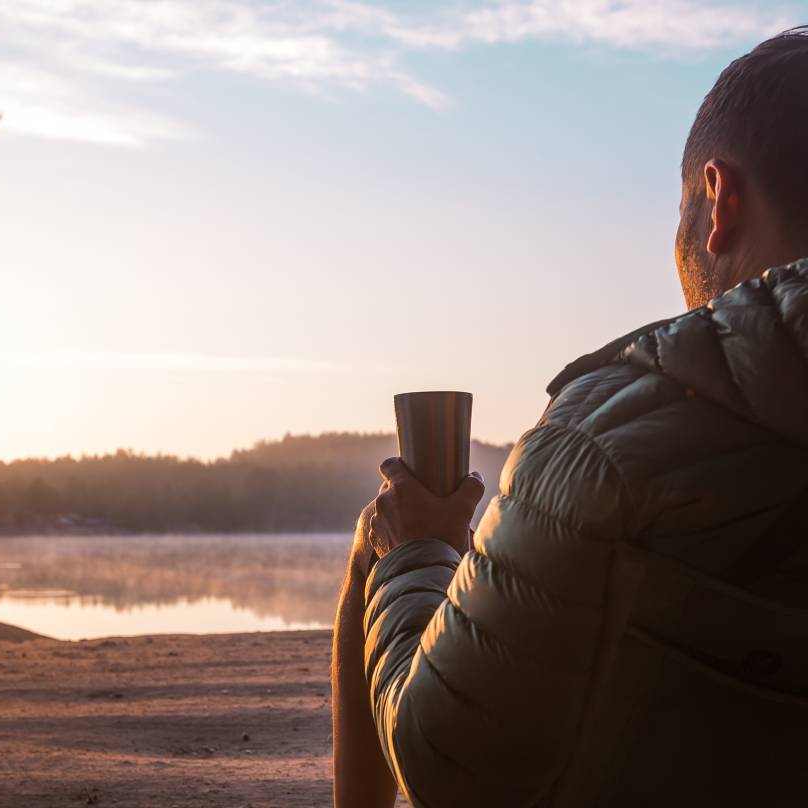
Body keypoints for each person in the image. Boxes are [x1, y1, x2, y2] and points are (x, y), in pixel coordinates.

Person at [332, 27, 808, 808]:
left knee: (380, 540)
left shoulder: (605, 443)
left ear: (718, 202)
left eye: (682, 210)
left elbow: (443, 758)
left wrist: (417, 550)